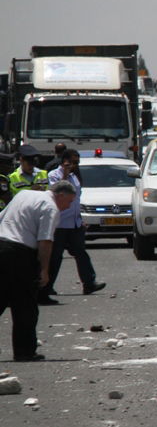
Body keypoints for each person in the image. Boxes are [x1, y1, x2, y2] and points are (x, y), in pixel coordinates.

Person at [0, 180, 76, 361]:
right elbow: (45, 240)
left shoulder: (24, 194)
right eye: (69, 202)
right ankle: (24, 351)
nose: (68, 207)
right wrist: (44, 269)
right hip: (19, 253)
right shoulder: (50, 207)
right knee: (25, 304)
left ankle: (24, 350)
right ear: (60, 195)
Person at [44, 149, 105, 303]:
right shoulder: (54, 175)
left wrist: (80, 219)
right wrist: (64, 173)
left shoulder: (75, 177)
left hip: (75, 223)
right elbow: (57, 191)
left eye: (77, 162)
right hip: (60, 223)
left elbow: (76, 200)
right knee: (55, 257)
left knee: (80, 253)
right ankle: (47, 286)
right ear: (64, 161)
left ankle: (89, 283)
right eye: (72, 162)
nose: (75, 165)